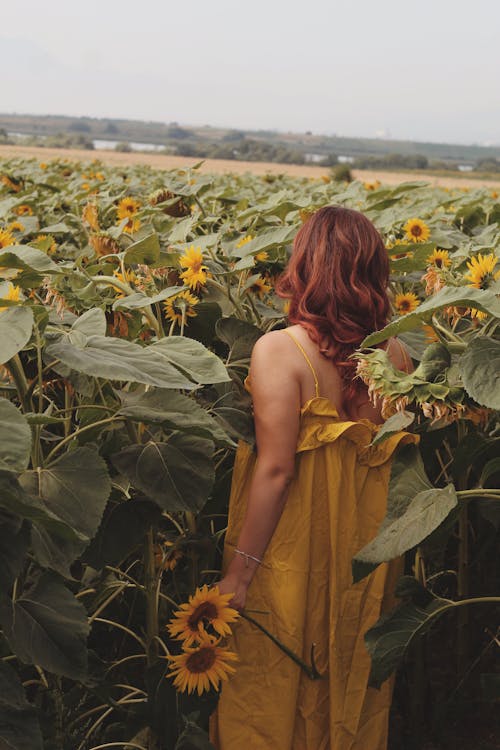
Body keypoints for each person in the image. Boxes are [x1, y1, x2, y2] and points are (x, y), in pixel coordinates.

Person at [210, 205, 418, 750]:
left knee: (276, 669)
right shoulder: (395, 354)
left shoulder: (281, 350)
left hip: (293, 543)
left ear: (306, 265)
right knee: (348, 663)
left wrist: (240, 572)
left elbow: (277, 471)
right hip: (365, 548)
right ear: (373, 273)